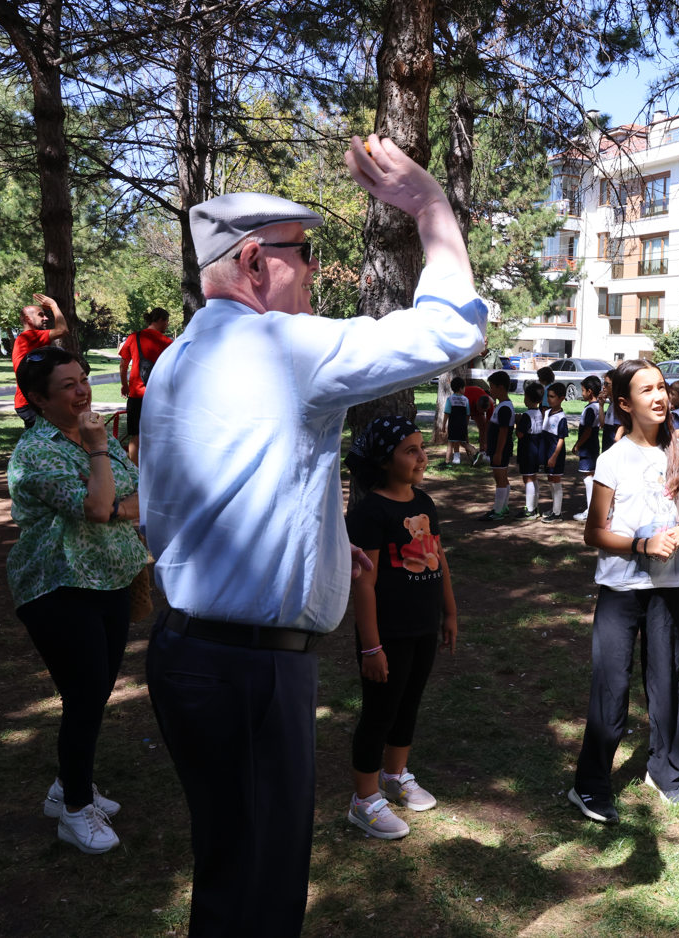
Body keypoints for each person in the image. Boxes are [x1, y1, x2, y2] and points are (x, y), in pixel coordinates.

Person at [140, 134, 488, 937]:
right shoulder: (281, 344)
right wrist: (431, 208)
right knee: (260, 897)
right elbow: (450, 331)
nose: (317, 271)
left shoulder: (177, 359)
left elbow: (196, 501)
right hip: (252, 671)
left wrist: (324, 548)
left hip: (191, 654)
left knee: (230, 875)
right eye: (305, 253)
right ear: (256, 261)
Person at [7, 347, 147, 856]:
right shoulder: (36, 452)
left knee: (93, 695)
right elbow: (98, 507)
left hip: (109, 580)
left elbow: (131, 499)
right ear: (40, 399)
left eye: (82, 378)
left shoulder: (98, 439)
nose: (82, 389)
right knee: (86, 696)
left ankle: (68, 788)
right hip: (57, 587)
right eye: (67, 385)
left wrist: (111, 496)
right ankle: (73, 811)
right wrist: (96, 456)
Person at [570, 360, 679, 823]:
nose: (658, 397)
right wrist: (641, 543)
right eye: (646, 390)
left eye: (661, 388)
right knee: (611, 686)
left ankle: (665, 771)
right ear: (624, 404)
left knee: (666, 679)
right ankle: (590, 786)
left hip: (668, 585)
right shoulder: (614, 459)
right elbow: (594, 532)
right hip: (620, 587)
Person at [343, 416, 459, 841]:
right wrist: (371, 648)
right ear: (385, 460)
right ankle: (364, 799)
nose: (421, 457)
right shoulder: (369, 511)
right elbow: (364, 582)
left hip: (421, 627)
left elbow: (438, 558)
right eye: (410, 450)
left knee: (408, 704)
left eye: (420, 448)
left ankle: (394, 776)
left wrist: (449, 612)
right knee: (380, 711)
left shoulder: (423, 502)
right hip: (386, 634)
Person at [118, 306, 172, 465]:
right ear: (161, 320)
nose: (167, 325)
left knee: (136, 435)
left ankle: (135, 473)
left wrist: (124, 384)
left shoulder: (134, 337)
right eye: (167, 322)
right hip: (158, 396)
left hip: (136, 394)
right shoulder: (167, 342)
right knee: (158, 435)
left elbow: (123, 365)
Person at [11, 294, 69, 428]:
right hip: (30, 403)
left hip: (32, 401)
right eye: (41, 315)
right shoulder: (29, 336)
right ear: (28, 319)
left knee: (37, 441)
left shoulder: (31, 339)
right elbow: (63, 329)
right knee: (47, 441)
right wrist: (54, 305)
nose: (46, 318)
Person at [480, 370, 515, 520]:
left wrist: (498, 452)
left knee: (499, 479)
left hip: (500, 450)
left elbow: (504, 432)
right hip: (498, 449)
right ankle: (504, 508)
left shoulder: (505, 408)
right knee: (503, 479)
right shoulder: (503, 406)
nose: (489, 390)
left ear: (500, 388)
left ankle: (498, 511)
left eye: (492, 386)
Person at [514, 380, 547, 518]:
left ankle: (530, 510)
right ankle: (534, 505)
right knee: (533, 478)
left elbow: (520, 434)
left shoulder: (527, 415)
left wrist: (518, 423)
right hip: (536, 450)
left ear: (526, 397)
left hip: (527, 451)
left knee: (528, 478)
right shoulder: (540, 413)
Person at [572, 375, 602, 522]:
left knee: (588, 478)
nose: (581, 393)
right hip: (594, 445)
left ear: (590, 391)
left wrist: (578, 444)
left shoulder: (590, 409)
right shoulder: (598, 407)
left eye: (583, 390)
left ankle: (591, 510)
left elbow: (588, 430)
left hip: (588, 447)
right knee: (591, 476)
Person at [541, 382, 570, 522]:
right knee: (551, 481)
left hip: (555, 455)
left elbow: (561, 439)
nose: (549, 399)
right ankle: (554, 509)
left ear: (561, 398)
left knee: (556, 481)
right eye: (548, 396)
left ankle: (558, 514)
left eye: (552, 396)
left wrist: (554, 456)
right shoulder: (547, 412)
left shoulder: (561, 418)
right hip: (547, 453)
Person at [442, 376, 475, 465]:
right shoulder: (466, 400)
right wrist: (466, 425)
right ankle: (473, 453)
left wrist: (443, 425)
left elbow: (446, 413)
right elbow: (468, 414)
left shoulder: (450, 399)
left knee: (451, 442)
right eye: (464, 387)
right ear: (461, 388)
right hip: (462, 425)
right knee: (462, 442)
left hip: (453, 425)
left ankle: (447, 461)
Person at [462, 377, 491, 462]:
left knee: (483, 426)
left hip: (476, 401)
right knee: (461, 431)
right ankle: (471, 451)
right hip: (467, 401)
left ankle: (482, 451)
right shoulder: (467, 402)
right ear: (477, 406)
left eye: (484, 412)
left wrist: (485, 444)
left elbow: (487, 427)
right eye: (480, 411)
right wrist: (467, 446)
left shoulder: (490, 406)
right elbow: (464, 427)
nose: (482, 412)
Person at [600, 370, 622, 452]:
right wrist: (601, 405)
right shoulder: (612, 404)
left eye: (606, 384)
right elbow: (602, 424)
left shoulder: (619, 405)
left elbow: (621, 428)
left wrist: (613, 452)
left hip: (613, 451)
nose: (603, 387)